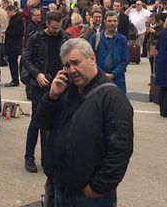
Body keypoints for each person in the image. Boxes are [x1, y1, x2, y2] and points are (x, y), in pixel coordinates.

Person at [36, 38, 134, 206]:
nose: (72, 70)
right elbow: (44, 123)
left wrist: (97, 187)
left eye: (76, 63)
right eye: (67, 65)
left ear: (92, 59)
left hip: (89, 196)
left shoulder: (113, 98)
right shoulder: (66, 89)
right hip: (59, 187)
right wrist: (51, 97)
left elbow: (120, 151)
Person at [21, 11, 70, 173]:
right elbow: (26, 59)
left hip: (60, 84)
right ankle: (29, 157)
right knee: (36, 122)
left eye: (59, 27)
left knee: (56, 123)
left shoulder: (65, 38)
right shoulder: (36, 37)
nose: (57, 30)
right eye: (54, 27)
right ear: (47, 24)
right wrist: (37, 74)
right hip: (40, 85)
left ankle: (49, 158)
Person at [90, 11, 129, 94]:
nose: (112, 23)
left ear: (118, 22)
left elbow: (125, 60)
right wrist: (102, 73)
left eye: (114, 21)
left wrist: (114, 74)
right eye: (109, 21)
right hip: (99, 79)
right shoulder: (95, 37)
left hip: (118, 80)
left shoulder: (122, 40)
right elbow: (90, 58)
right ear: (105, 22)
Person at [4, 5, 23, 87]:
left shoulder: (18, 20)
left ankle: (15, 80)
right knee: (12, 63)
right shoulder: (14, 19)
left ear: (12, 11)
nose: (8, 14)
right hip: (12, 44)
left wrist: (6, 32)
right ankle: (14, 79)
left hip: (14, 45)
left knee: (13, 63)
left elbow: (18, 32)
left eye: (8, 12)